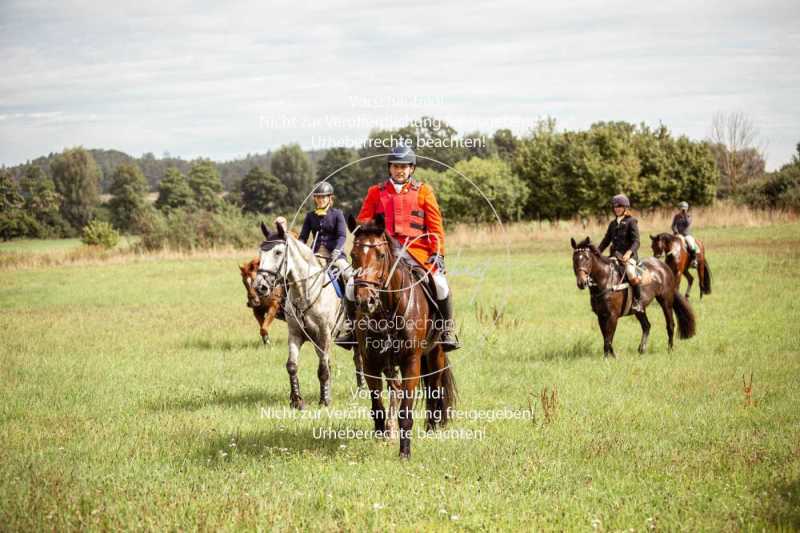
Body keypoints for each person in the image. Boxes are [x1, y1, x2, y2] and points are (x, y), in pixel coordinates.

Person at [335, 145, 460, 352]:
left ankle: (446, 329)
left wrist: (438, 254)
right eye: (395, 166)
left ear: (412, 168)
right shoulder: (376, 192)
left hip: (417, 252)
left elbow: (436, 227)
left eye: (404, 166)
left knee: (441, 284)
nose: (399, 170)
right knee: (351, 285)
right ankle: (349, 328)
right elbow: (365, 219)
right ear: (389, 168)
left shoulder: (424, 191)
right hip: (384, 252)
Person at [298, 181, 351, 290]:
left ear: (330, 198)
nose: (320, 200)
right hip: (315, 253)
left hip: (335, 254)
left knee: (348, 274)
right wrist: (299, 247)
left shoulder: (337, 214)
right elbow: (303, 237)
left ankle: (350, 304)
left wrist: (337, 250)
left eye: (323, 197)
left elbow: (342, 236)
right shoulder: (310, 216)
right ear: (314, 198)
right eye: (318, 197)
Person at [598, 194, 643, 312]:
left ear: (625, 208)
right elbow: (606, 240)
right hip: (615, 256)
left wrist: (628, 253)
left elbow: (636, 241)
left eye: (620, 206)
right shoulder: (613, 224)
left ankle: (637, 301)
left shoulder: (631, 221)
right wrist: (597, 253)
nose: (617, 208)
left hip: (629, 257)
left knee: (630, 272)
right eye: (615, 206)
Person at [672, 201, 698, 268]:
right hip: (678, 234)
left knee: (691, 245)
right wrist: (675, 231)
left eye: (684, 208)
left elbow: (687, 224)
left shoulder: (689, 216)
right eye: (681, 208)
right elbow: (673, 225)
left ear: (687, 209)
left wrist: (685, 215)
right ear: (679, 208)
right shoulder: (676, 216)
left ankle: (694, 260)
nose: (683, 209)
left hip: (686, 235)